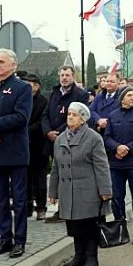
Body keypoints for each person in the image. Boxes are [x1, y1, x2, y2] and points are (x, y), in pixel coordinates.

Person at [0, 49, 33, 258]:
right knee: (0, 199)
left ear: (13, 65)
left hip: (15, 151)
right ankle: (5, 239)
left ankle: (20, 240)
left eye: (2, 62)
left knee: (18, 200)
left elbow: (21, 117)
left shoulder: (22, 88)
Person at [49, 102, 112, 266]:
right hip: (68, 190)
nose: (70, 117)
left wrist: (105, 191)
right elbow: (55, 166)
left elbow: (102, 166)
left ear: (83, 119)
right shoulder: (61, 138)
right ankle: (79, 255)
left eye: (74, 114)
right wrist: (53, 191)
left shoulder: (93, 138)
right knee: (74, 224)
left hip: (88, 189)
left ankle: (91, 257)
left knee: (89, 224)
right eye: (69, 114)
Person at [41, 65, 90, 223]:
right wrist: (48, 131)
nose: (64, 78)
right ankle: (60, 207)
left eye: (67, 75)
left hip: (69, 138)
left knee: (69, 172)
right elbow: (45, 114)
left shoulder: (80, 94)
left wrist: (60, 133)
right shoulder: (54, 92)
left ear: (73, 76)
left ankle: (67, 208)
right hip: (51, 138)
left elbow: (77, 117)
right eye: (62, 75)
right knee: (57, 172)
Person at [104, 86, 133, 241]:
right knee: (117, 199)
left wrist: (128, 148)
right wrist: (117, 147)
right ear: (122, 99)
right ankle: (120, 232)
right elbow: (106, 137)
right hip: (116, 164)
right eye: (129, 95)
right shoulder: (113, 115)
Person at [23, 73, 49, 220]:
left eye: (29, 85)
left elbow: (41, 122)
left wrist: (25, 130)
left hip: (38, 144)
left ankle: (41, 207)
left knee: (39, 178)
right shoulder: (21, 99)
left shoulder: (43, 101)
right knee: (25, 178)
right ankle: (27, 207)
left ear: (36, 86)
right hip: (23, 145)